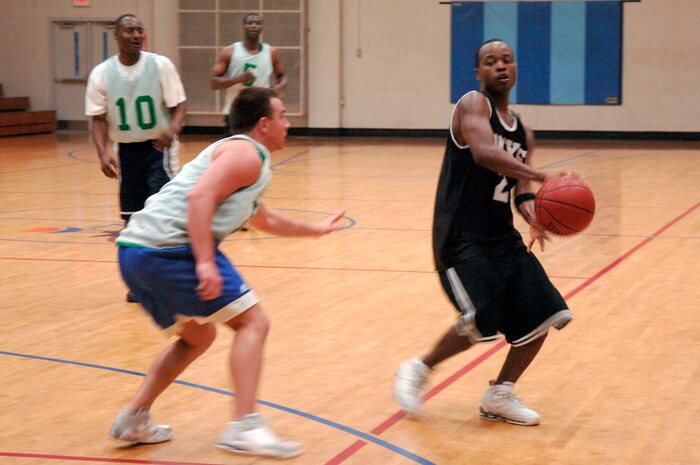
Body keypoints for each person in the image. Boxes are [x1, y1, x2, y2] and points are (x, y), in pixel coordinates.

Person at [107, 87, 344, 459]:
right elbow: (199, 198)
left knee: (197, 337)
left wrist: (315, 228)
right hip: (166, 251)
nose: (288, 123)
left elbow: (263, 218)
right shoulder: (245, 153)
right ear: (263, 124)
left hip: (135, 252)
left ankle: (133, 418)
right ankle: (244, 427)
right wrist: (203, 261)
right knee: (254, 322)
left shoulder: (246, 158)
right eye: (283, 116)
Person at [393, 39, 572, 426]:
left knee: (547, 311)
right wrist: (541, 176)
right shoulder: (473, 105)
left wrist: (535, 213)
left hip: (501, 237)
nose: (500, 66)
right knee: (481, 316)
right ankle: (419, 369)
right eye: (491, 62)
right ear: (479, 73)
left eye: (507, 59)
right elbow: (484, 153)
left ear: (516, 68)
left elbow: (519, 192)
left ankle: (500, 393)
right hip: (461, 237)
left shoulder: (524, 131)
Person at [85, 13, 187, 302]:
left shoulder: (160, 65)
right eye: (129, 30)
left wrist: (173, 129)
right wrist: (103, 152)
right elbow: (98, 118)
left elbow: (180, 104)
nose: (136, 35)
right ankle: (137, 282)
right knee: (130, 219)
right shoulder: (102, 73)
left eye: (140, 30)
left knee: (158, 213)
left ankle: (165, 279)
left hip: (159, 149)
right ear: (116, 36)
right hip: (127, 150)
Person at [209, 13, 288, 121]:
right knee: (237, 138)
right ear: (243, 27)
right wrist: (237, 79)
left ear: (262, 28)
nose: (253, 26)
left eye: (257, 23)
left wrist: (277, 88)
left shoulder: (271, 52)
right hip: (235, 111)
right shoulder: (229, 51)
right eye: (249, 23)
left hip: (262, 111)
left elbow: (282, 75)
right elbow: (214, 83)